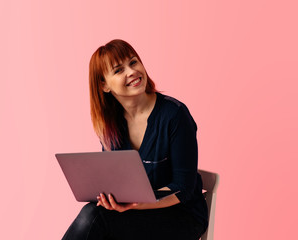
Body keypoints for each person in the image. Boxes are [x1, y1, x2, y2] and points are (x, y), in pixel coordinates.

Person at [62, 39, 208, 240]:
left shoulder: (175, 115)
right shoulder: (111, 124)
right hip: (137, 214)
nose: (131, 72)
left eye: (133, 62)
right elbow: (116, 181)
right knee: (95, 213)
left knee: (97, 219)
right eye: (118, 70)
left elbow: (184, 188)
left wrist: (139, 204)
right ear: (104, 85)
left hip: (181, 216)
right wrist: (110, 199)